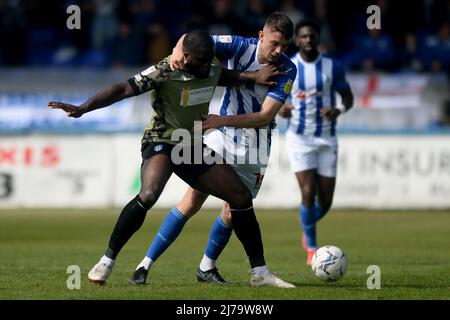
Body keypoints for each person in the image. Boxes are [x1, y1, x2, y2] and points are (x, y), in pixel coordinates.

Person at [48, 30, 293, 288]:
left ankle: (260, 272)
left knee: (240, 197)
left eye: (208, 64)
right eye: (200, 64)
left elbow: (224, 76)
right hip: (162, 140)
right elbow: (123, 88)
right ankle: (107, 260)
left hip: (191, 144)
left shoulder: (208, 65)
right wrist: (83, 108)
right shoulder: (166, 70)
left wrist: (253, 76)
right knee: (149, 194)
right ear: (185, 57)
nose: (205, 70)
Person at [129, 12, 297, 286]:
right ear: (261, 35)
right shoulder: (239, 46)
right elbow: (196, 40)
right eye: (274, 43)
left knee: (233, 210)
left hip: (254, 145)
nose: (278, 51)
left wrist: (219, 119)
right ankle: (144, 265)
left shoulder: (288, 69)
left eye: (284, 46)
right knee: (192, 199)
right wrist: (176, 49)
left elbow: (265, 117)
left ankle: (206, 267)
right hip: (221, 137)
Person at [278, 19, 354, 265]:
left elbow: (348, 97)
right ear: (296, 40)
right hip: (299, 138)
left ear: (318, 39)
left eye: (312, 36)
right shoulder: (288, 66)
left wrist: (339, 110)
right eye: (303, 36)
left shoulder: (333, 67)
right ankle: (311, 247)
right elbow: (273, 96)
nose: (308, 40)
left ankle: (306, 225)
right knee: (308, 193)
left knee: (326, 201)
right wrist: (281, 109)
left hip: (327, 137)